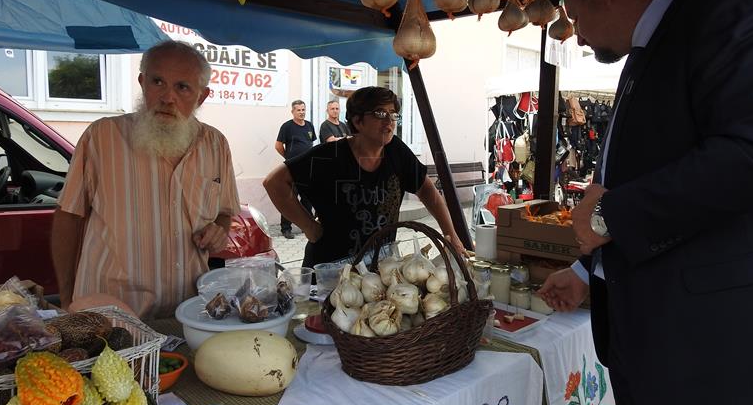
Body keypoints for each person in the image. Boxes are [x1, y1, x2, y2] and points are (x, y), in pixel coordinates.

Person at [537, 0, 753, 405]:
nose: (576, 37)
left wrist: (609, 214)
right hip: (646, 358)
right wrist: (585, 272)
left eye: (575, 18)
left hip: (710, 363)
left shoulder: (727, 15)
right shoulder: (642, 56)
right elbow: (643, 177)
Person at [51, 41, 240, 319]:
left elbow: (225, 213)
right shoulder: (102, 136)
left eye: (182, 87)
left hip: (187, 312)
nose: (167, 97)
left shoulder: (216, 144)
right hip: (110, 315)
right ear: (142, 82)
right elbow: (68, 217)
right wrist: (67, 298)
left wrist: (219, 231)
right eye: (158, 82)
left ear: (201, 97)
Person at [263, 86, 465, 267]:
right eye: (380, 113)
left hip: (380, 267)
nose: (389, 121)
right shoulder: (329, 155)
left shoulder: (396, 150)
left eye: (393, 114)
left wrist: (452, 236)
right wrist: (309, 226)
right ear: (357, 121)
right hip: (330, 268)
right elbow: (274, 182)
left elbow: (427, 190)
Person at [275, 100, 316, 239]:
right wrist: (289, 158)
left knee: (308, 199)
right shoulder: (287, 127)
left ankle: (309, 226)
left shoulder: (309, 125)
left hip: (307, 169)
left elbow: (311, 143)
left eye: (303, 109)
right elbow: (278, 145)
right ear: (292, 111)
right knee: (290, 198)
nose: (302, 112)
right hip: (292, 169)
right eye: (298, 110)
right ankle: (286, 228)